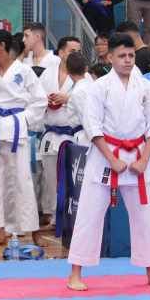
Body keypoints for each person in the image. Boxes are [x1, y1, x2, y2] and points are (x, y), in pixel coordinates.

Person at [67, 32, 150, 291]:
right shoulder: (99, 87)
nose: (128, 60)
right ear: (110, 57)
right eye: (122, 55)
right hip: (105, 156)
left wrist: (144, 159)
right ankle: (76, 273)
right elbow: (92, 125)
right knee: (89, 214)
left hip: (137, 156)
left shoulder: (145, 86)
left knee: (144, 217)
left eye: (131, 55)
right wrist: (111, 158)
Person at [0, 29, 47, 245]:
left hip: (17, 127)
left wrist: (24, 120)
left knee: (23, 180)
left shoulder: (24, 71)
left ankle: (32, 230)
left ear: (3, 46)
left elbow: (40, 100)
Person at [38, 38, 92, 224]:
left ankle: (72, 215)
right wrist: (46, 100)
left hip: (73, 135)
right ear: (60, 53)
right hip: (51, 133)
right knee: (50, 177)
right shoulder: (47, 74)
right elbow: (36, 98)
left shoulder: (85, 77)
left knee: (74, 177)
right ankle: (55, 215)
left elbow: (88, 104)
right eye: (71, 51)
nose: (75, 54)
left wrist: (67, 98)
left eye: (78, 51)